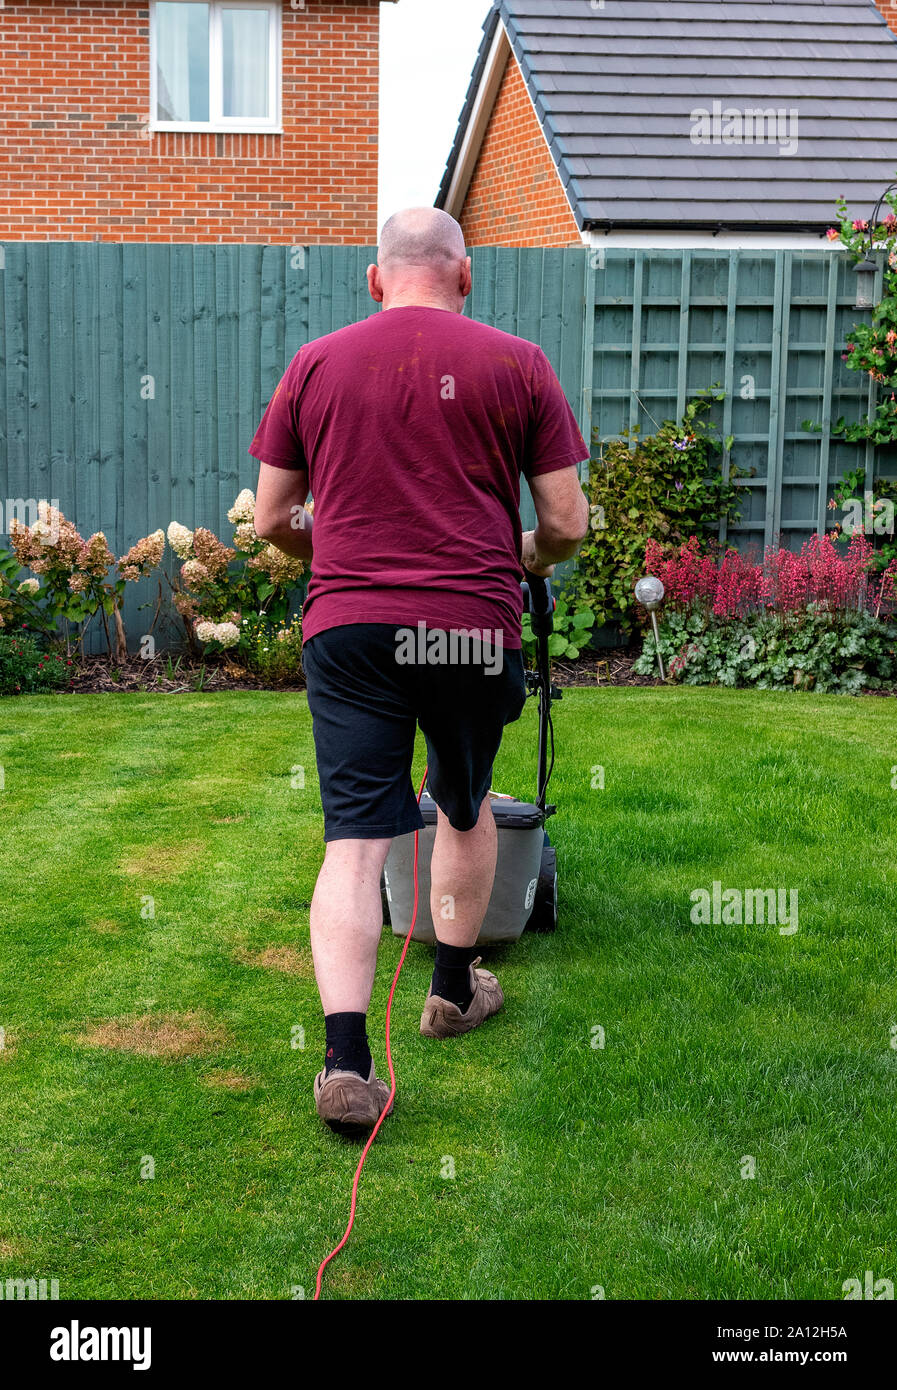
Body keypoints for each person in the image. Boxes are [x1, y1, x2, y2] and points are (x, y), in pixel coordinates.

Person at [249, 207, 589, 1135]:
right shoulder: (519, 365)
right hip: (470, 632)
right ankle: (449, 991)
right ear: (464, 276)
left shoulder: (316, 364)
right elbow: (565, 523)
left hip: (350, 628)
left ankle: (346, 1062)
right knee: (462, 804)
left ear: (374, 279)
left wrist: (339, 553)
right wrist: (520, 554)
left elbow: (272, 520)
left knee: (355, 840)